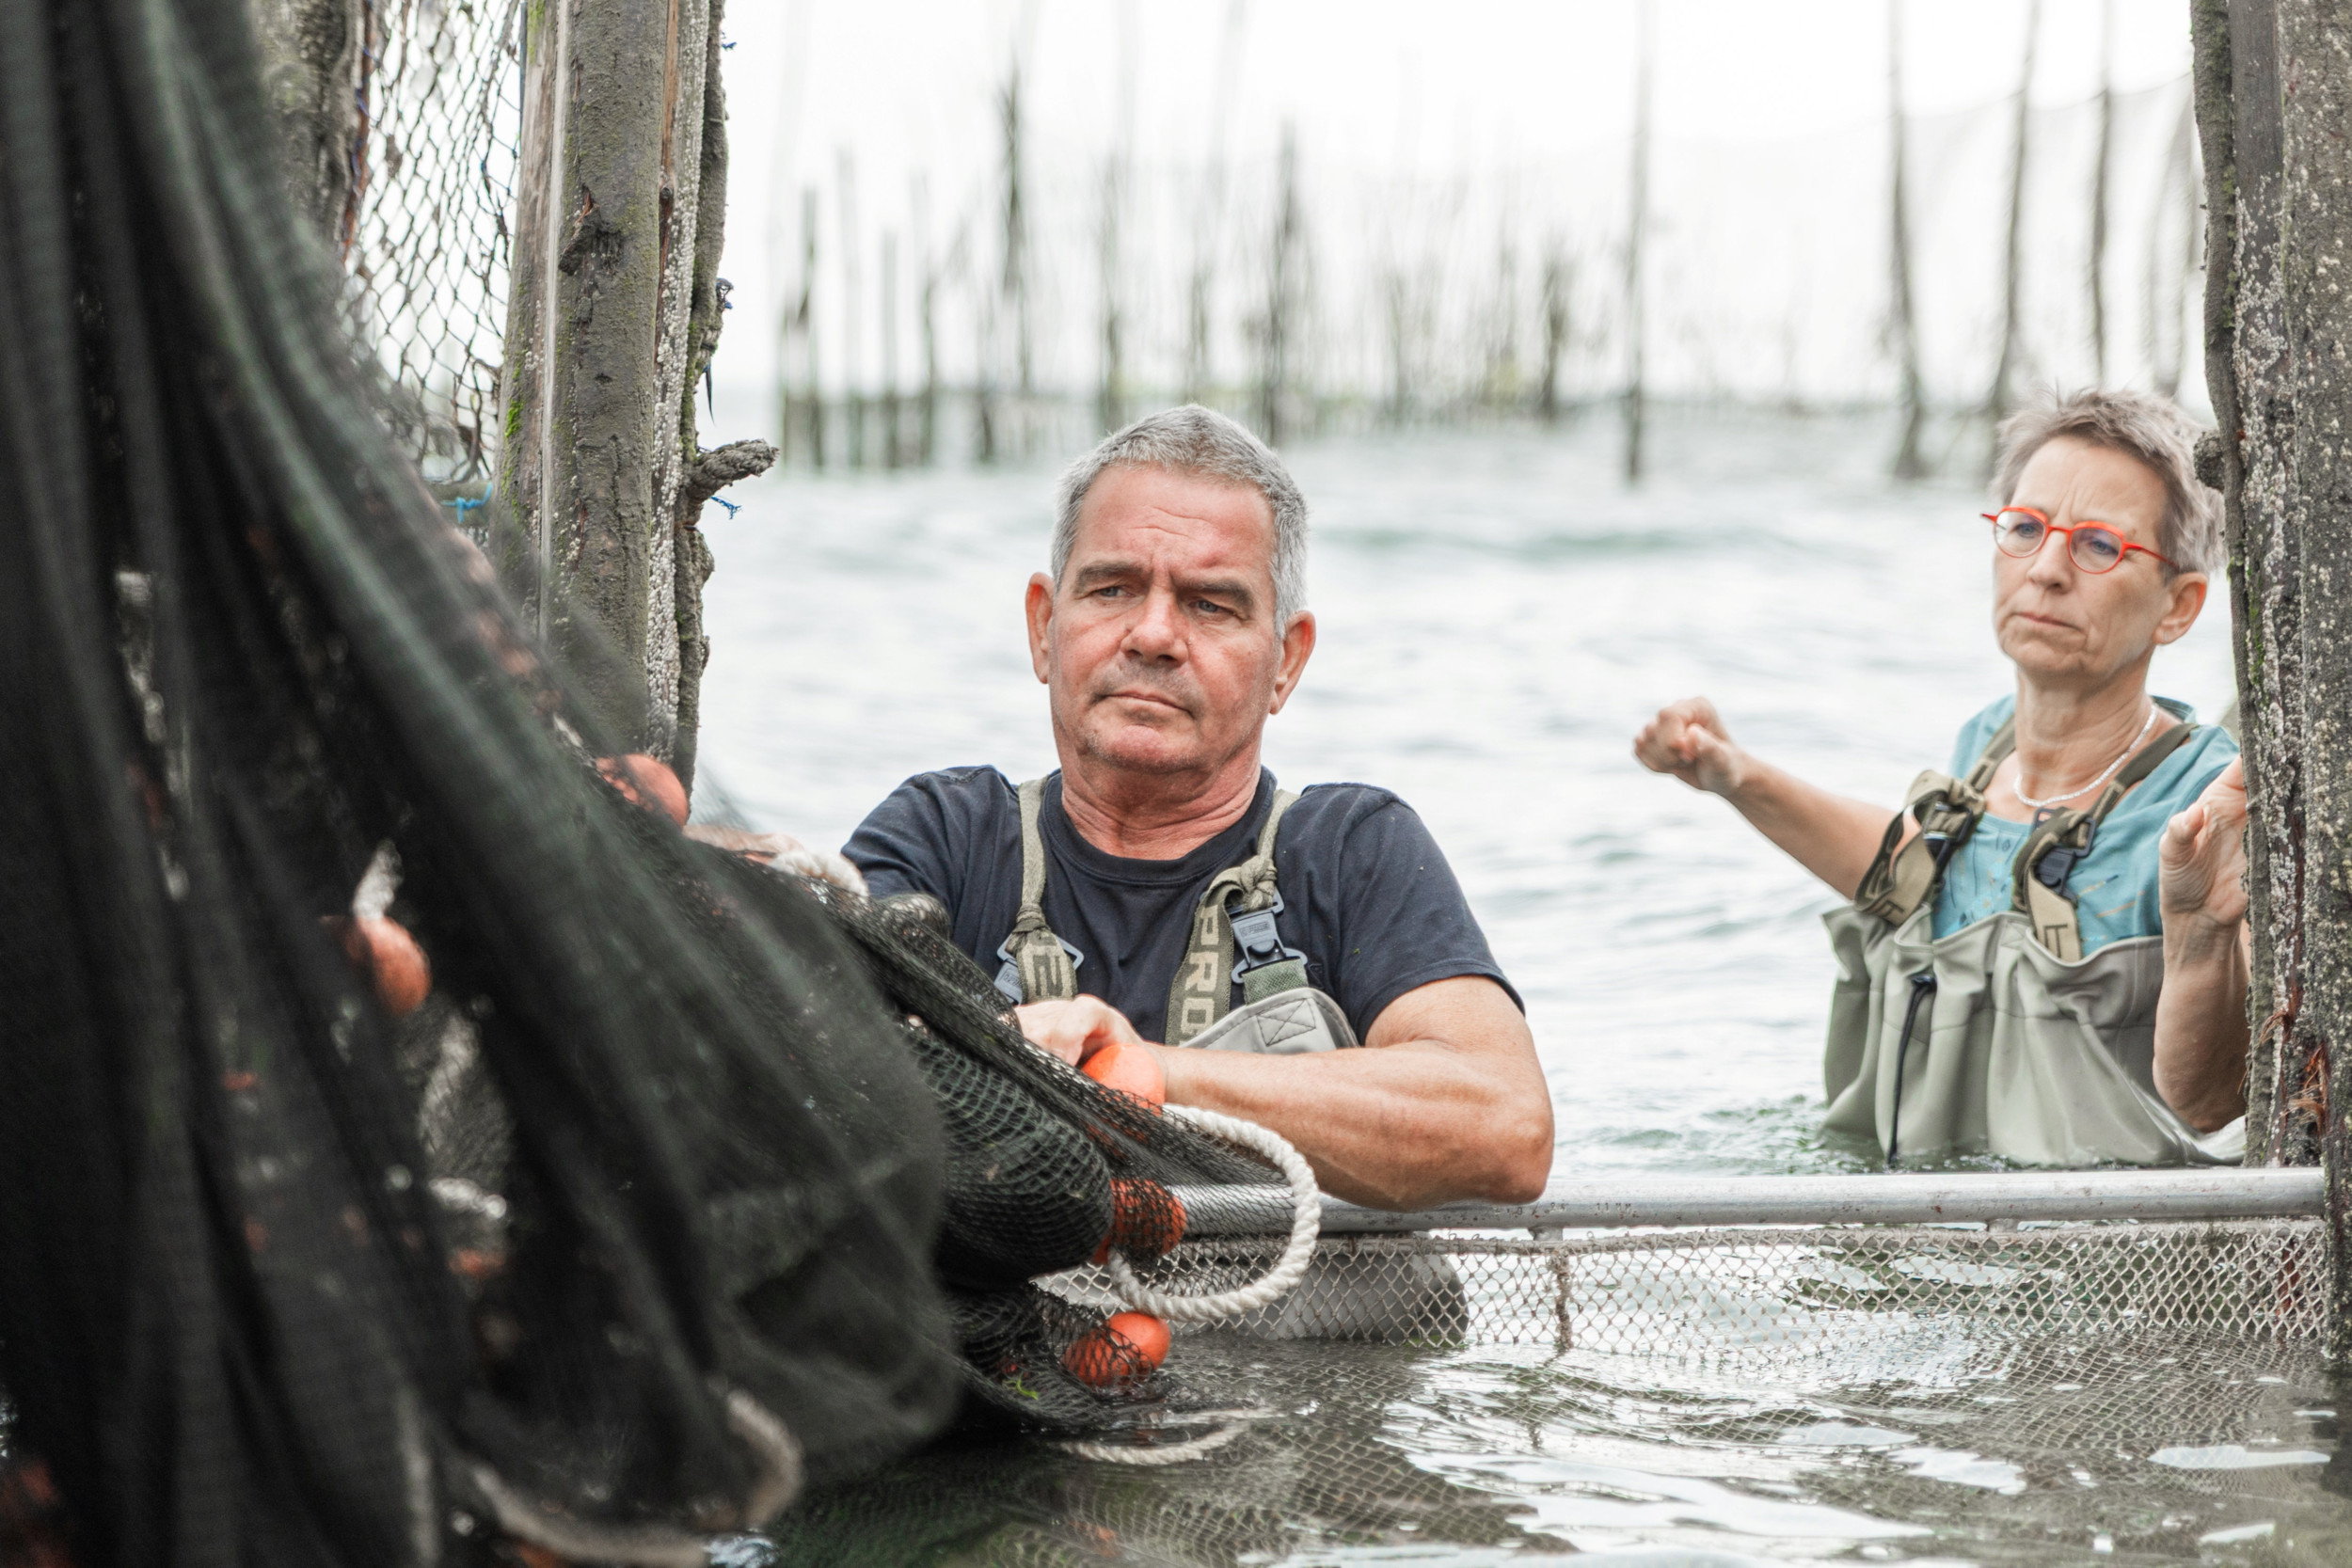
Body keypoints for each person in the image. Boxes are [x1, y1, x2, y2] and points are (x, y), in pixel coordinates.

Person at [845, 406, 1553, 1209]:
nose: (1152, 634)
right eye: (1112, 589)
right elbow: (801, 1063)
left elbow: (1507, 1128)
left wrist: (1156, 1075)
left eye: (1211, 605)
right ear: (1044, 627)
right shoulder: (945, 838)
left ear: (1286, 660)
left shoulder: (1353, 848)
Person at [1633, 388, 2248, 1166]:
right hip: (1935, 1228)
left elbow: (2217, 1099)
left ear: (2180, 606)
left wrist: (2197, 935)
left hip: (2112, 1262)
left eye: (2098, 546)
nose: (2048, 570)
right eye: (2026, 529)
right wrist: (1735, 776)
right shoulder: (1986, 745)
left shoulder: (2210, 801)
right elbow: (1917, 873)